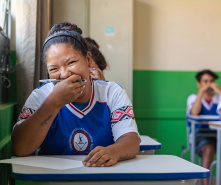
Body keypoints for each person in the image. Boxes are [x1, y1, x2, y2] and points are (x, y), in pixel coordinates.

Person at [11, 22, 140, 167]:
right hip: (52, 179)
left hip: (101, 175)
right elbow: (20, 148)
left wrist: (114, 151)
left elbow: (131, 140)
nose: (65, 74)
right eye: (54, 69)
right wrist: (54, 102)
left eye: (71, 62)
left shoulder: (112, 92)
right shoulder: (40, 96)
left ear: (88, 60)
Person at [186, 69, 221, 185]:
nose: (209, 85)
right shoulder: (193, 98)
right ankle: (206, 183)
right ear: (199, 84)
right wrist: (201, 93)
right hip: (199, 137)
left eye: (212, 81)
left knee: (213, 145)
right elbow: (195, 112)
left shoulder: (218, 99)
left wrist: (220, 92)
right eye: (205, 81)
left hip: (219, 135)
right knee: (208, 148)